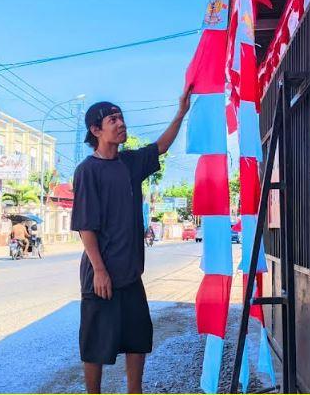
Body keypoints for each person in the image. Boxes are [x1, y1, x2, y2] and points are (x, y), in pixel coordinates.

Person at [71, 87, 192, 394]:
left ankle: (134, 391)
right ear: (96, 130)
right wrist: (99, 269)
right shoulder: (88, 170)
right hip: (102, 275)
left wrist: (181, 112)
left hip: (130, 274)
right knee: (96, 341)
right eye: (113, 119)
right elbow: (86, 226)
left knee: (137, 337)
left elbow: (160, 147)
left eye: (121, 117)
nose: (121, 123)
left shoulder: (129, 163)